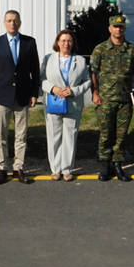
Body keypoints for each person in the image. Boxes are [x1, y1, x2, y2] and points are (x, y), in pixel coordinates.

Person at [0, 10, 41, 184]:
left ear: (20, 23)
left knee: (21, 135)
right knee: (0, 134)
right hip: (2, 96)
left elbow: (35, 71)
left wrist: (34, 93)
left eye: (15, 21)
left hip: (23, 95)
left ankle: (18, 168)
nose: (12, 24)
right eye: (9, 21)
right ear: (4, 23)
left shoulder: (29, 43)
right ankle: (2, 168)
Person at [90, 15, 134, 182]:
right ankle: (105, 165)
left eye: (121, 27)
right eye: (115, 27)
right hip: (105, 99)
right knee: (106, 134)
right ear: (110, 28)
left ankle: (118, 165)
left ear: (124, 29)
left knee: (121, 135)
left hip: (125, 99)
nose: (118, 29)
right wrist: (95, 92)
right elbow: (93, 73)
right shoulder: (100, 49)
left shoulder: (132, 50)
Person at [41, 30, 91, 181]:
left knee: (70, 136)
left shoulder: (80, 61)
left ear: (73, 43)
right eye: (63, 40)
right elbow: (42, 78)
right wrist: (53, 88)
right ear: (57, 42)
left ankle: (67, 169)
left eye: (69, 41)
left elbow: (87, 81)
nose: (66, 44)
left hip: (73, 103)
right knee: (54, 136)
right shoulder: (49, 59)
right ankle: (55, 169)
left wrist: (74, 91)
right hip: (54, 102)